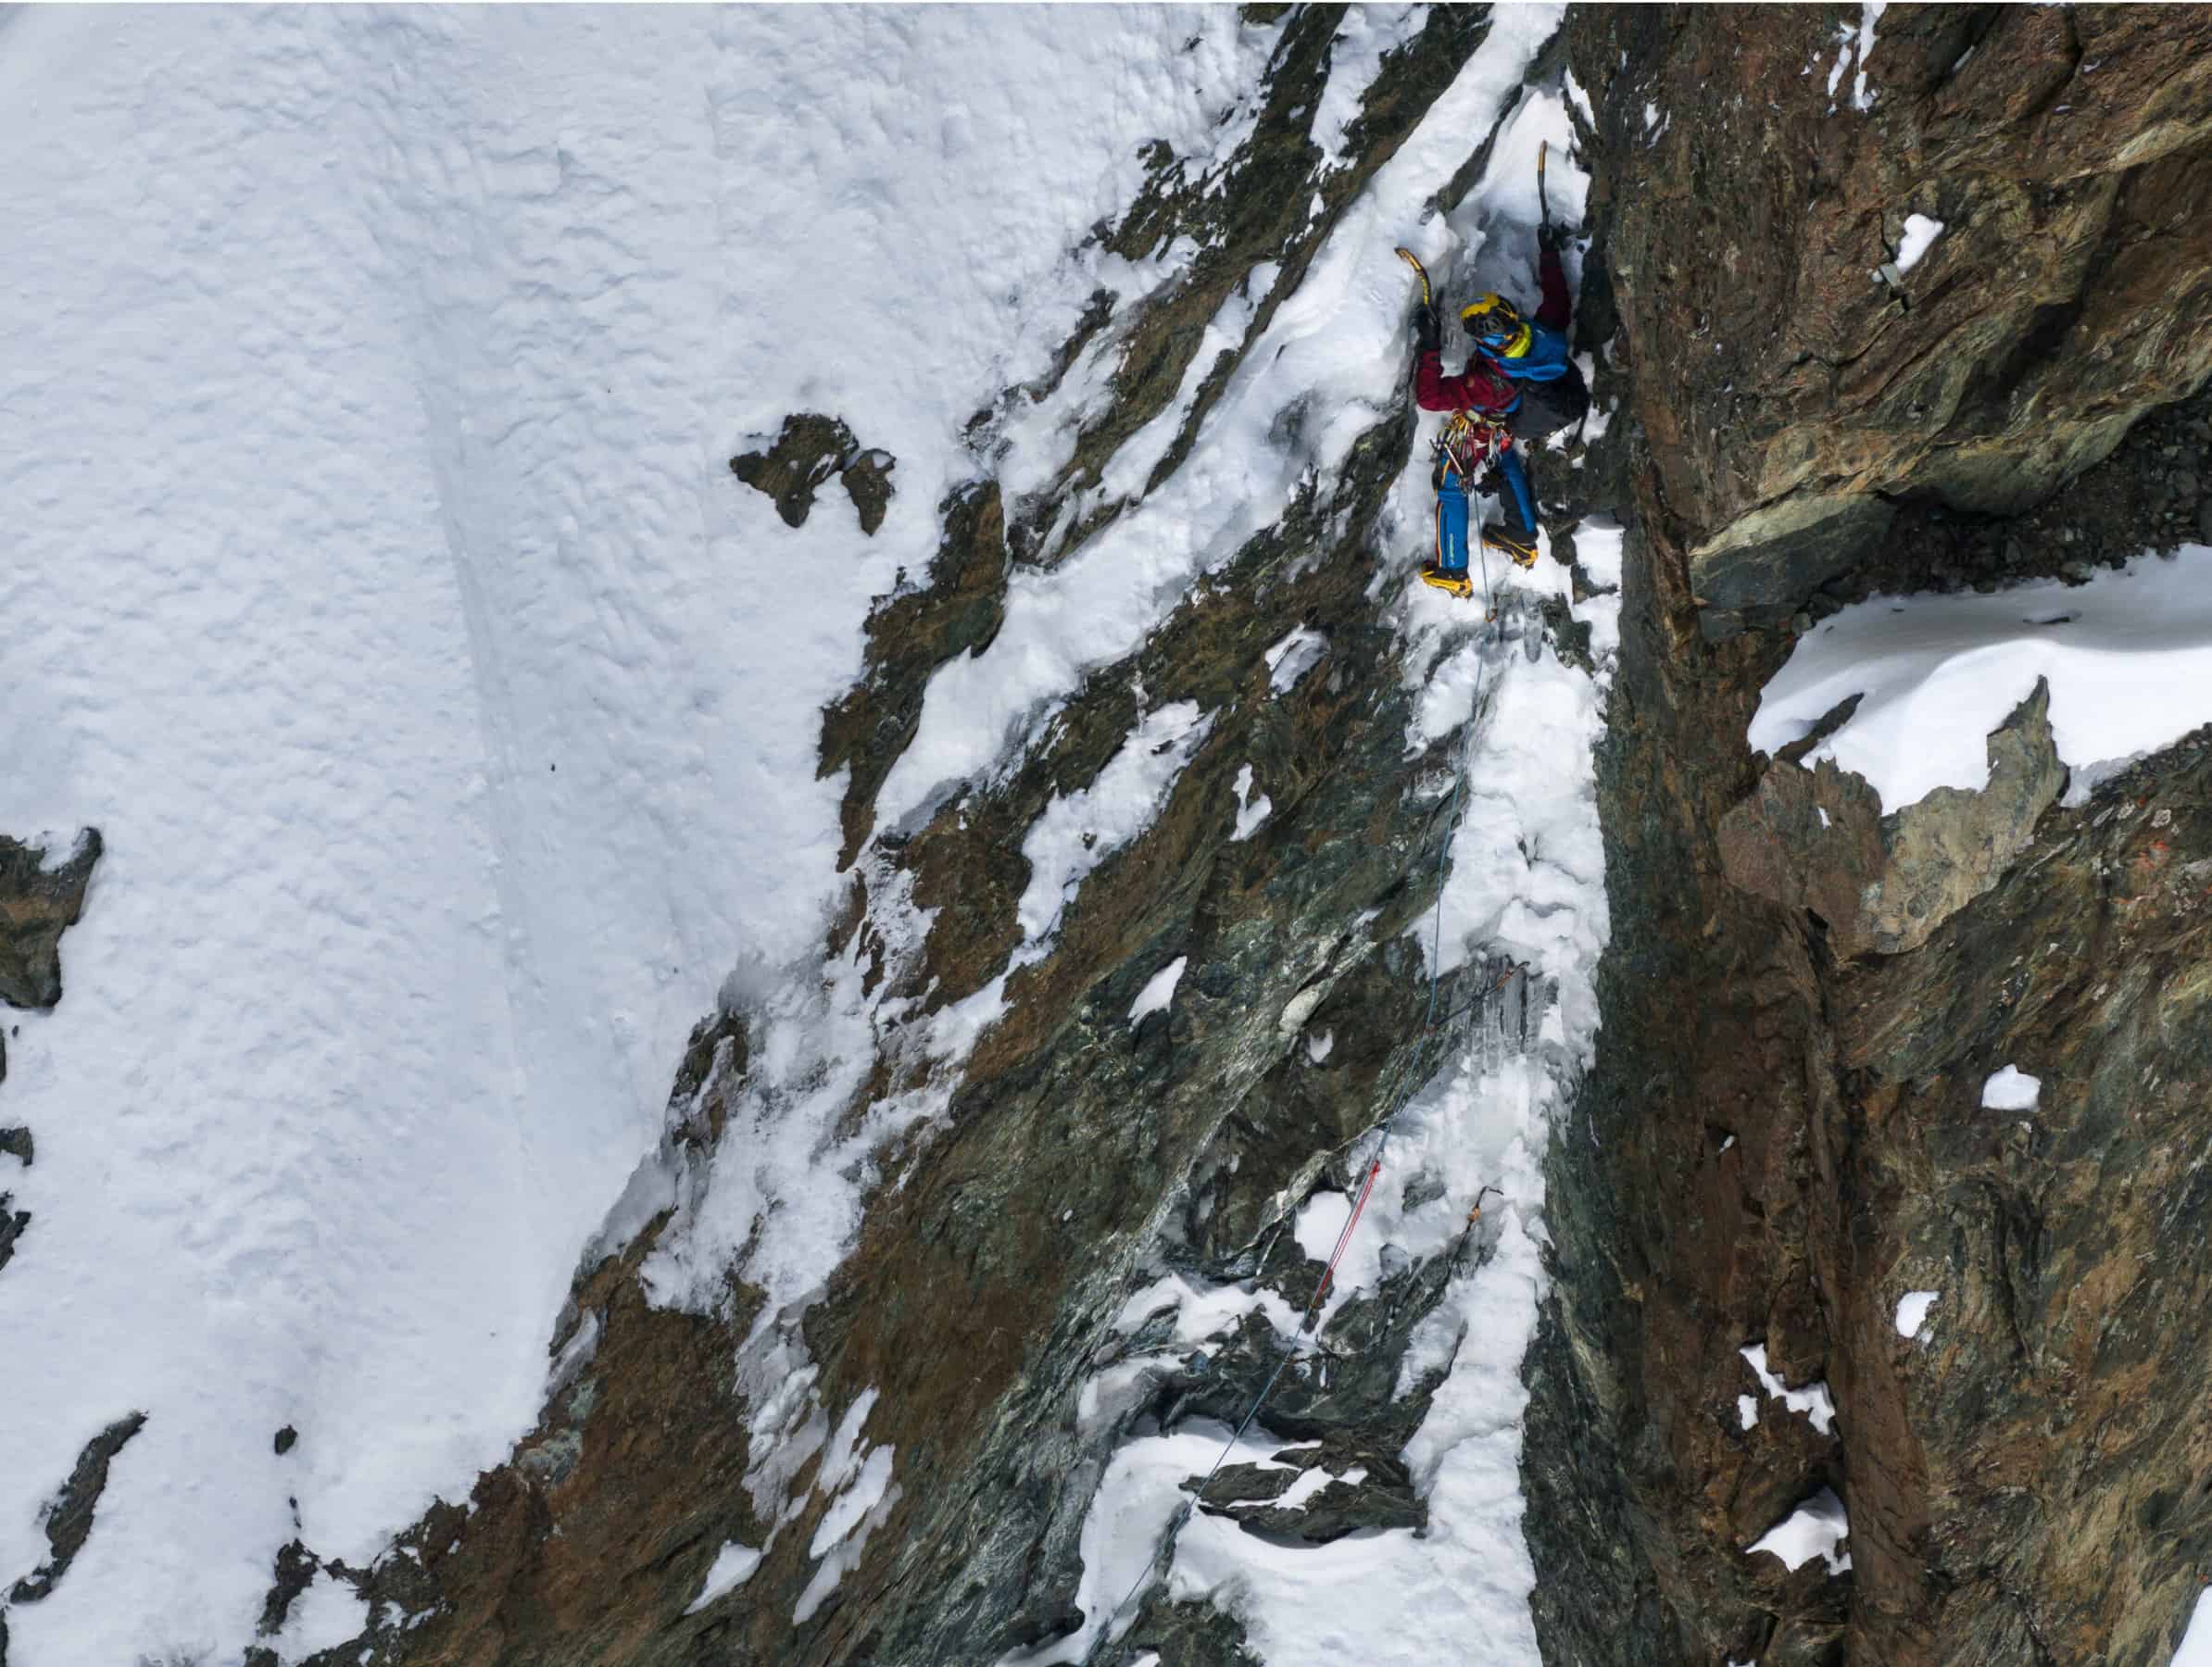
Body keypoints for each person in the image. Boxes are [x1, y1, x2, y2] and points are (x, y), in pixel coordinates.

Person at [1412, 227, 1588, 570]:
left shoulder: (1487, 382)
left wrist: (1431, 346)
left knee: (1452, 481)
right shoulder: (1542, 337)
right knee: (1504, 459)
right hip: (1513, 417)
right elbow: (1557, 300)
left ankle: (1453, 568)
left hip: (1489, 420)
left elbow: (1430, 398)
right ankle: (1522, 537)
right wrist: (1548, 253)